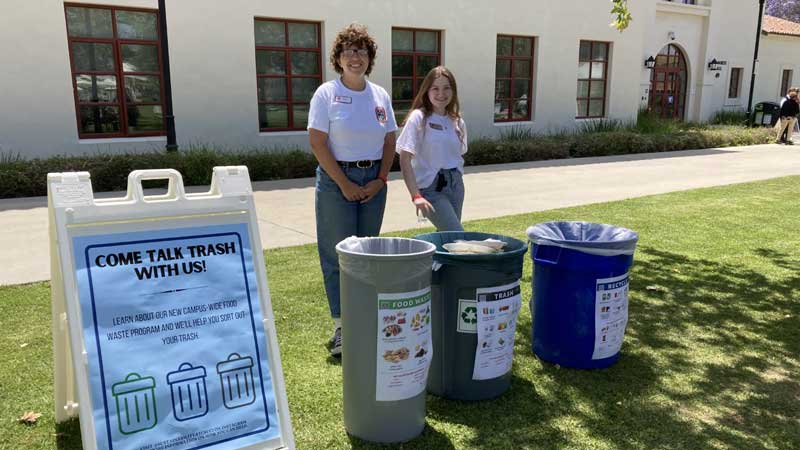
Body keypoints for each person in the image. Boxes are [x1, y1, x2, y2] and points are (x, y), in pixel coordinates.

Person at [307, 23, 397, 357]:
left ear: (370, 57)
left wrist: (381, 178)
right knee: (337, 255)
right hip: (336, 181)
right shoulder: (326, 94)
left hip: (373, 178)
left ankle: (365, 321)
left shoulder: (380, 95)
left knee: (367, 255)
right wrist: (343, 183)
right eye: (348, 51)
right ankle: (342, 326)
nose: (355, 57)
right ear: (339, 58)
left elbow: (390, 140)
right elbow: (317, 142)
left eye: (361, 51)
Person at [396, 66, 468, 231]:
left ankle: (432, 258)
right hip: (431, 188)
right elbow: (404, 158)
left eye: (446, 88)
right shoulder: (418, 118)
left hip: (455, 185)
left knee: (446, 240)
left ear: (453, 91)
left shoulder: (457, 122)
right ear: (426, 91)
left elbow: (457, 155)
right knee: (455, 234)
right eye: (435, 88)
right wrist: (416, 195)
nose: (441, 94)